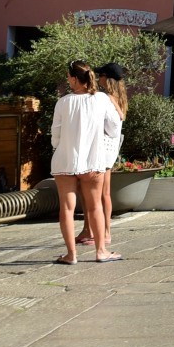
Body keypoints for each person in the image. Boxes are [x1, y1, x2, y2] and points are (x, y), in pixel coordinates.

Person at [50, 60, 122, 264]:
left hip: (65, 160)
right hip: (92, 160)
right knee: (94, 206)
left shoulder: (63, 102)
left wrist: (64, 145)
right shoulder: (101, 99)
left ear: (74, 79)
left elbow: (55, 136)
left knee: (67, 208)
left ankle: (71, 255)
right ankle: (101, 251)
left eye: (68, 77)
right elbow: (114, 128)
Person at [77, 63, 129, 249]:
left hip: (103, 148)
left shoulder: (107, 98)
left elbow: (118, 118)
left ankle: (101, 232)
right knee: (101, 192)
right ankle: (96, 231)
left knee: (96, 192)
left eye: (101, 76)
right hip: (110, 149)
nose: (99, 79)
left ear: (107, 78)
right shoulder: (120, 96)